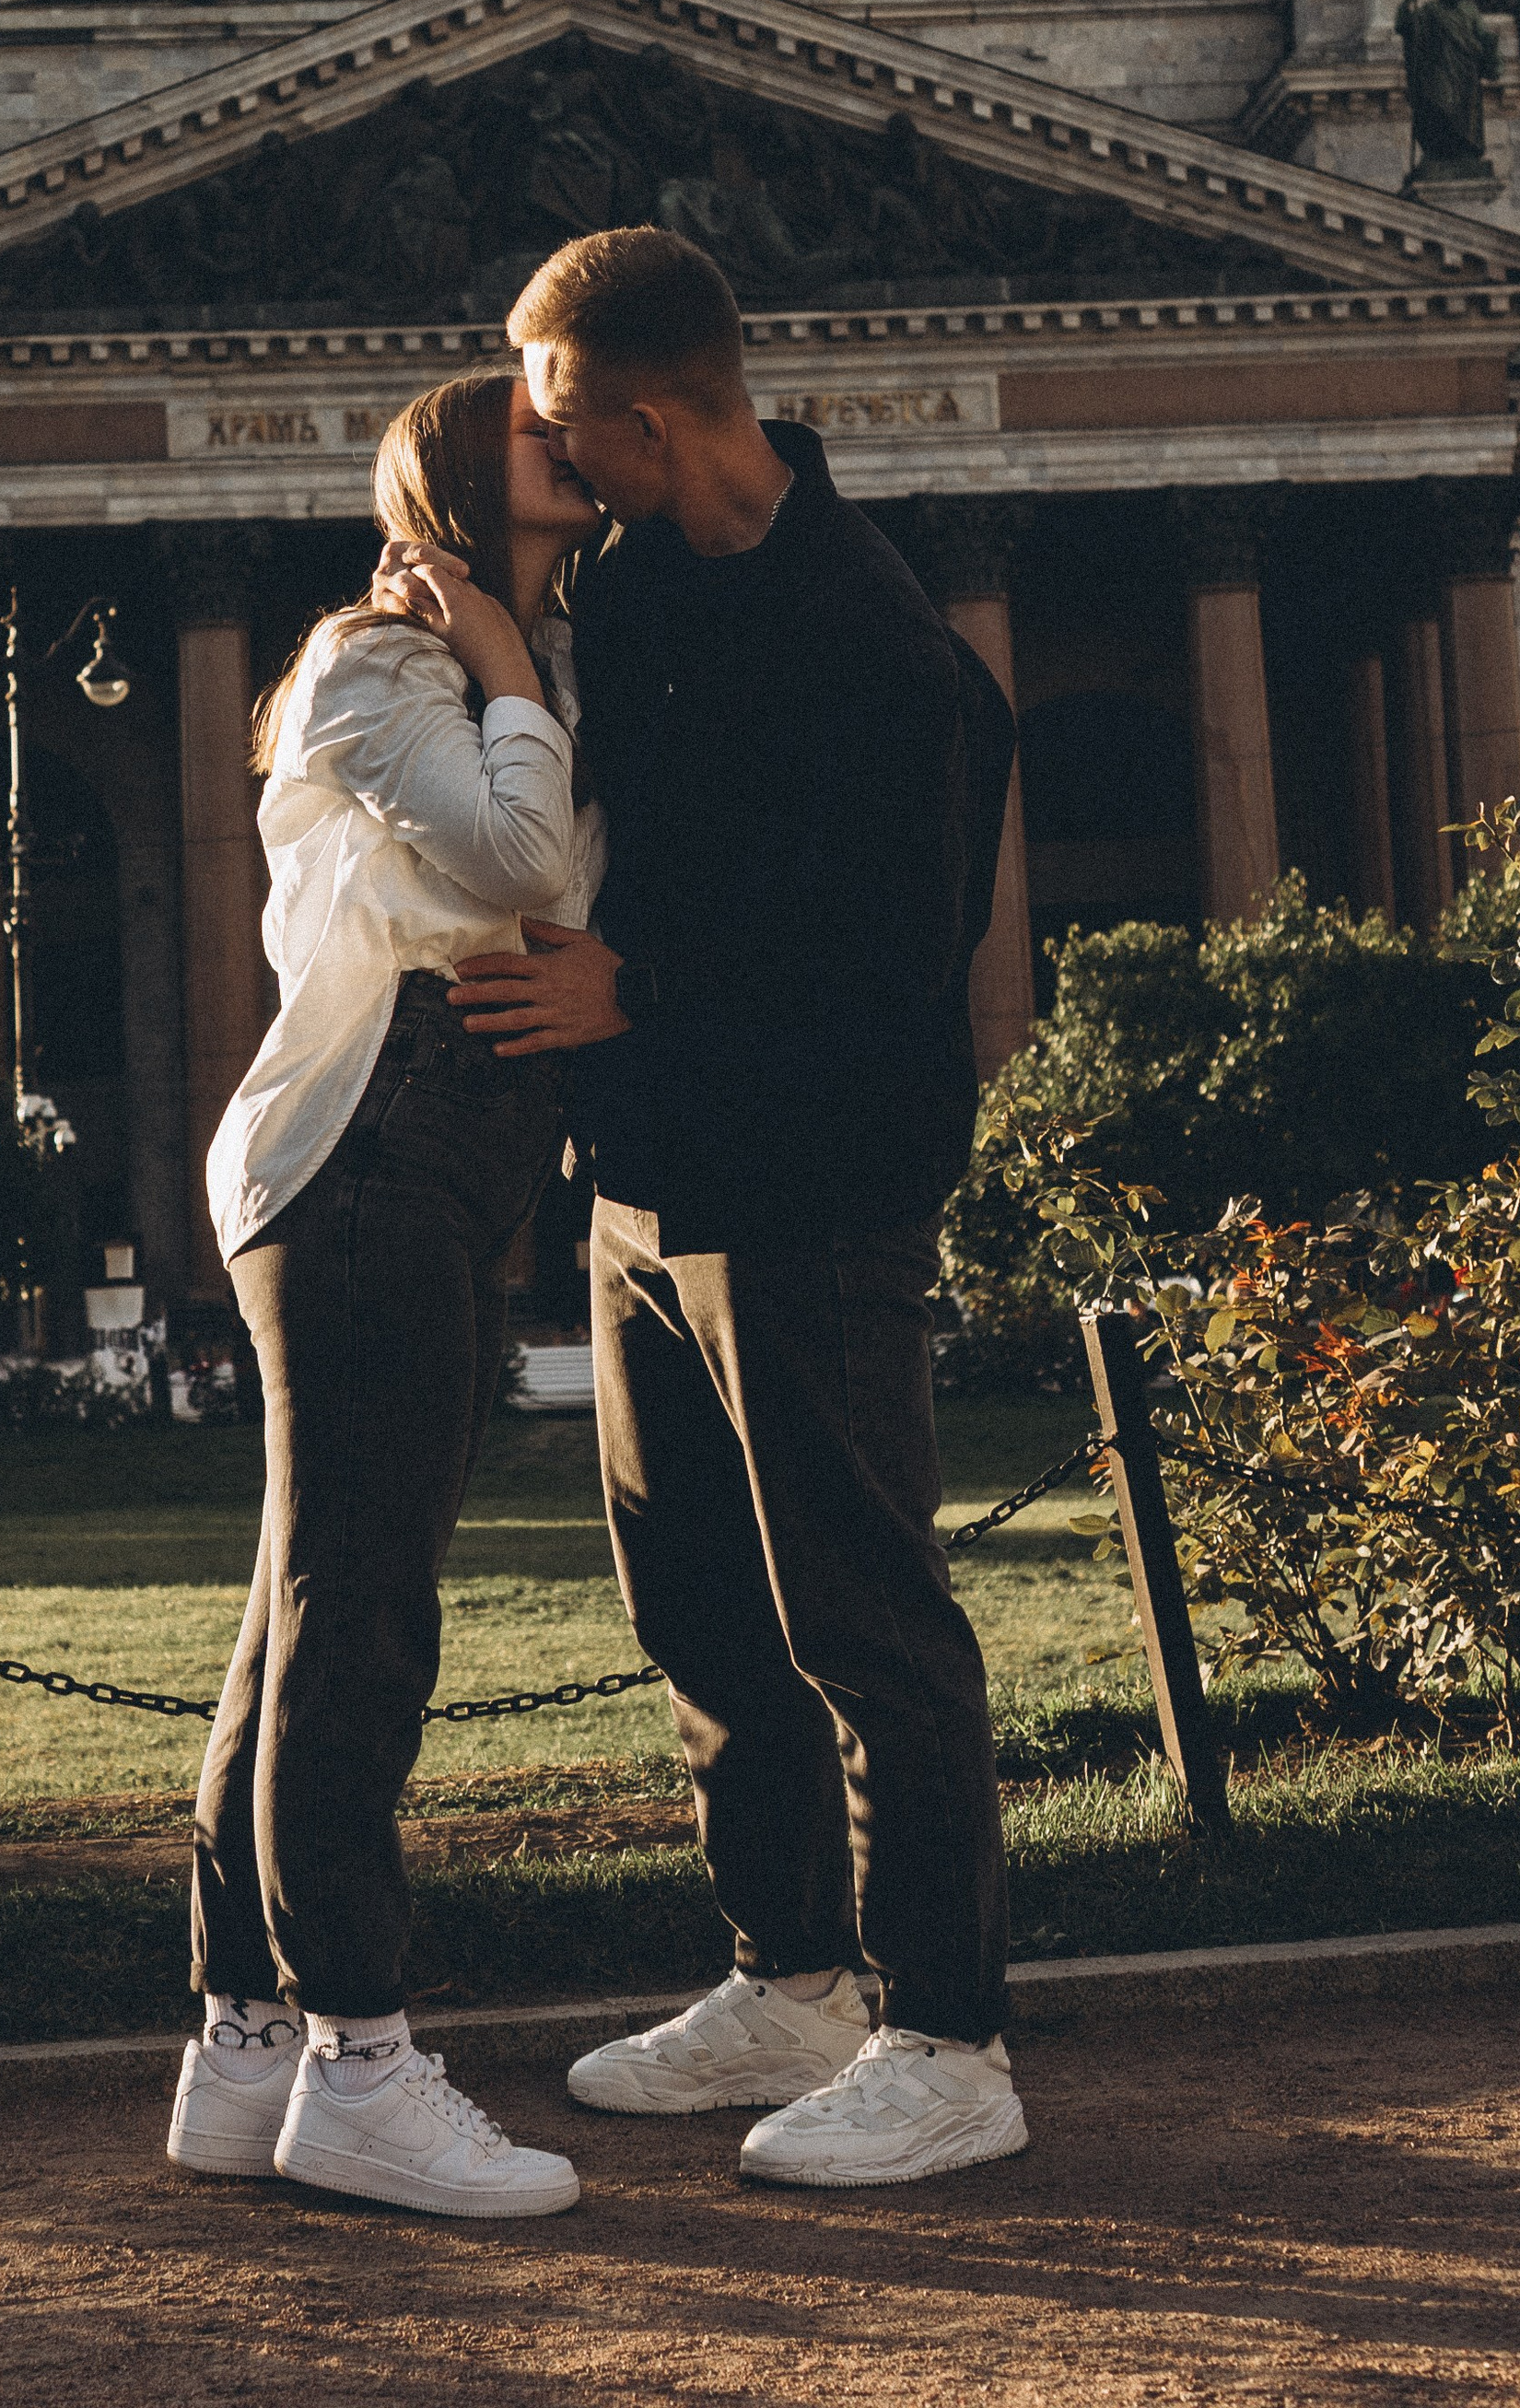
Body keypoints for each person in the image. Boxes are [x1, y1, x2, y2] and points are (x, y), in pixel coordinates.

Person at [439, 224, 1026, 2192]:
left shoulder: (863, 637)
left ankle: (945, 2034)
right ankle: (790, 1980)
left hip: (814, 1191)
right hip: (655, 1179)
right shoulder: (634, 585)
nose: (549, 468)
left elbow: (886, 967)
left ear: (647, 411)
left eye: (559, 429)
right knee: (699, 1610)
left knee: (862, 1619)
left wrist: (645, 997)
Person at [168, 372, 604, 2219]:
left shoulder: (487, 671)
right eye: (532, 431)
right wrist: (501, 644)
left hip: (419, 1157)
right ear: (450, 481)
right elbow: (518, 869)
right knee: (362, 1618)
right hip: (371, 1154)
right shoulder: (378, 658)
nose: (566, 443)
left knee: (300, 1610)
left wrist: (519, 665)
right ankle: (360, 2056)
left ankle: (242, 2045)